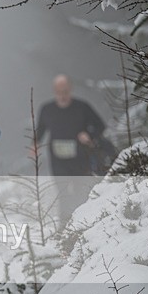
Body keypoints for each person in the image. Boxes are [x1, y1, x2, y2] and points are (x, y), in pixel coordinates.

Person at [35, 75, 109, 225]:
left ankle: (83, 225)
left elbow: (100, 125)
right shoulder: (47, 109)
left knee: (80, 192)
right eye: (59, 91)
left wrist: (89, 134)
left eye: (65, 91)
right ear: (54, 91)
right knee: (62, 194)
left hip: (81, 158)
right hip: (58, 159)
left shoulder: (82, 107)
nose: (62, 95)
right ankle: (64, 228)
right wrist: (34, 143)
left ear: (70, 90)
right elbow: (41, 129)